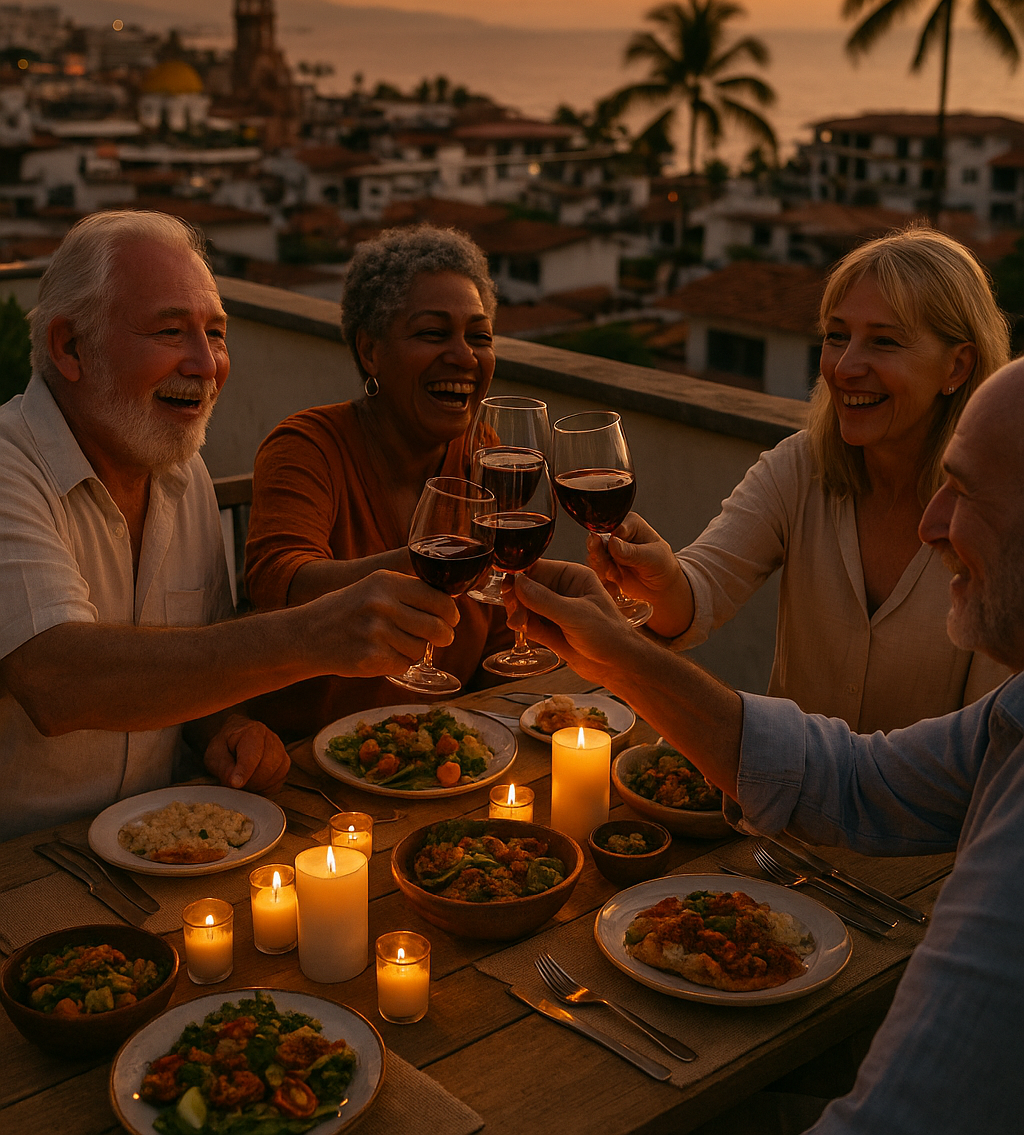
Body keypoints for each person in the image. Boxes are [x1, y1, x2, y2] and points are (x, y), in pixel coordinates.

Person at [509, 354, 1024, 1134]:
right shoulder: (1015, 715)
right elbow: (854, 783)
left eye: (968, 495)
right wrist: (620, 656)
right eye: (835, 333)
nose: (932, 525)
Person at [0, 212, 461, 840]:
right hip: (22, 866)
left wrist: (228, 728)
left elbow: (198, 657)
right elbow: (58, 680)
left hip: (165, 842)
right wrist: (310, 636)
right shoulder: (8, 469)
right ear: (70, 348)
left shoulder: (180, 469)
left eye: (216, 334)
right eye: (170, 332)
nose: (206, 364)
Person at [590, 227, 1010, 730]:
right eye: (836, 336)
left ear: (957, 366)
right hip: (778, 808)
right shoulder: (800, 468)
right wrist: (660, 580)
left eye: (884, 341)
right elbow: (699, 595)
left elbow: (990, 743)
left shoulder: (999, 517)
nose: (845, 367)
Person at [244, 224, 512, 733]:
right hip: (304, 765)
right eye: (433, 333)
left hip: (442, 762)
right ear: (370, 352)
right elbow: (279, 582)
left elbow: (499, 633)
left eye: (479, 337)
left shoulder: (485, 454)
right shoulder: (308, 446)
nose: (464, 356)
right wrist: (427, 562)